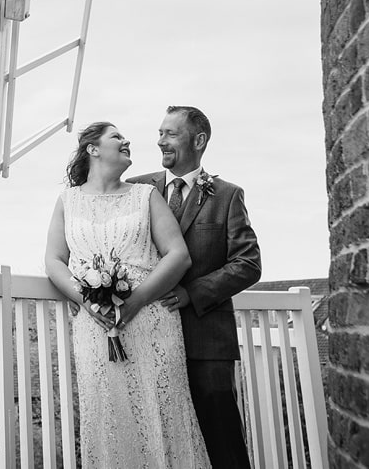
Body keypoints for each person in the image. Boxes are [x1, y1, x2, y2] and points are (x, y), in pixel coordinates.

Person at [45, 121, 211, 468]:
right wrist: (84, 299)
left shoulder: (145, 195)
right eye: (117, 137)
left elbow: (178, 255)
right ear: (93, 149)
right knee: (108, 415)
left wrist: (136, 301)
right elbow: (54, 260)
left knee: (161, 411)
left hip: (151, 320)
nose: (127, 141)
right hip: (95, 325)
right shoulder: (68, 201)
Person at [128, 106, 261, 469]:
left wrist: (192, 293)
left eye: (170, 133)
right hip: (148, 339)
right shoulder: (137, 189)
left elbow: (248, 264)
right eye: (159, 132)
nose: (160, 140)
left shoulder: (227, 195)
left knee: (222, 441)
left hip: (206, 340)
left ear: (198, 140)